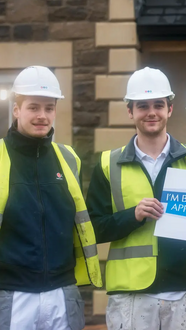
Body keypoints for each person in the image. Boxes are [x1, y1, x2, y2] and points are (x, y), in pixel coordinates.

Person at [86, 67, 186, 330]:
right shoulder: (108, 164)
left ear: (169, 109)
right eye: (142, 106)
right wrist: (133, 215)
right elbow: (92, 229)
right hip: (130, 294)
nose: (151, 112)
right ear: (130, 111)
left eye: (158, 105)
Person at [0, 66, 102, 329]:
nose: (42, 116)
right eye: (33, 107)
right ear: (16, 110)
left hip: (62, 291)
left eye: (49, 108)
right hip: (11, 293)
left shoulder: (69, 158)